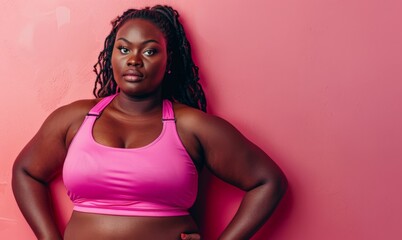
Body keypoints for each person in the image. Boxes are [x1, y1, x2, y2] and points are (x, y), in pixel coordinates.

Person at [12, 5, 287, 240]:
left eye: (149, 51)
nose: (133, 60)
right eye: (123, 49)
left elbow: (267, 181)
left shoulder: (191, 126)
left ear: (169, 62)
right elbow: (26, 171)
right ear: (112, 56)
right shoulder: (74, 119)